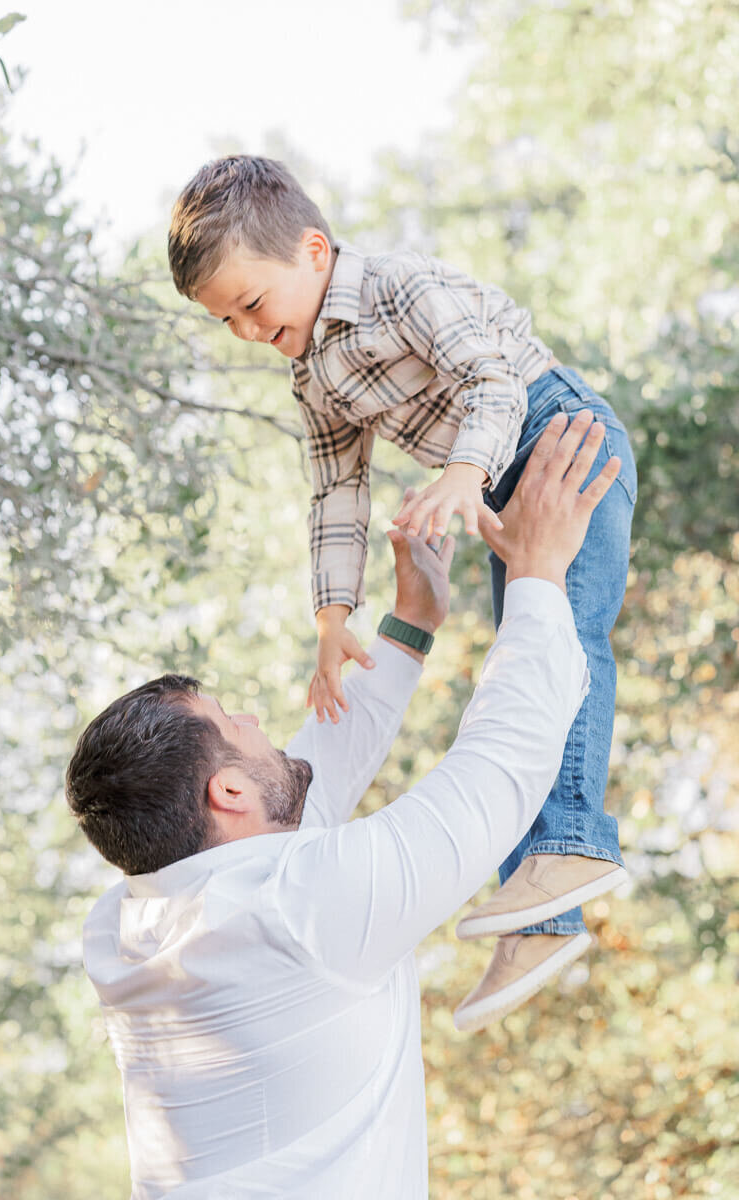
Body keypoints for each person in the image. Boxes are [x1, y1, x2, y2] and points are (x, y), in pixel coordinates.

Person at [68, 417, 619, 1199]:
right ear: (225, 793)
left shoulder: (127, 926)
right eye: (236, 722)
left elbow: (298, 793)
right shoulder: (298, 910)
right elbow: (503, 764)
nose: (258, 723)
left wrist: (410, 626)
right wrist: (537, 574)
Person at [167, 156, 637, 1027]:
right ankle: (543, 918)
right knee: (524, 658)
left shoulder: (396, 289)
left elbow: (492, 381)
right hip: (496, 479)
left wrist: (465, 471)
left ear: (313, 250)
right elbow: (338, 494)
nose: (244, 330)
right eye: (226, 320)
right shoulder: (311, 375)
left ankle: (570, 846)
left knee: (565, 641)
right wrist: (332, 617)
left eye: (251, 304)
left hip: (561, 435)